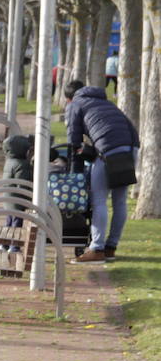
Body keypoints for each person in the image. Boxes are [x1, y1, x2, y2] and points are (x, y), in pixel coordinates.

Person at [64, 79, 138, 263]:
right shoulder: (106, 102)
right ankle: (110, 248)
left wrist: (75, 176)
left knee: (99, 201)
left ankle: (97, 249)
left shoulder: (76, 104)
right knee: (120, 201)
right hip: (130, 148)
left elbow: (73, 141)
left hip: (108, 151)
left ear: (68, 98)